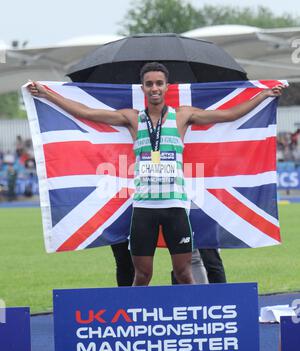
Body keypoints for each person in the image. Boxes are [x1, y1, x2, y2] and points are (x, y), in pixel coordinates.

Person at [28, 62, 284, 286]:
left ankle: (195, 320)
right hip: (144, 208)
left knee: (185, 274)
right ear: (143, 88)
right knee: (142, 276)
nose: (154, 88)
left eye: (159, 83)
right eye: (149, 84)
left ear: (166, 86)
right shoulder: (132, 118)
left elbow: (229, 114)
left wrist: (262, 96)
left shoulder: (183, 115)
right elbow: (86, 112)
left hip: (175, 207)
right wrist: (49, 96)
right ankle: (134, 320)